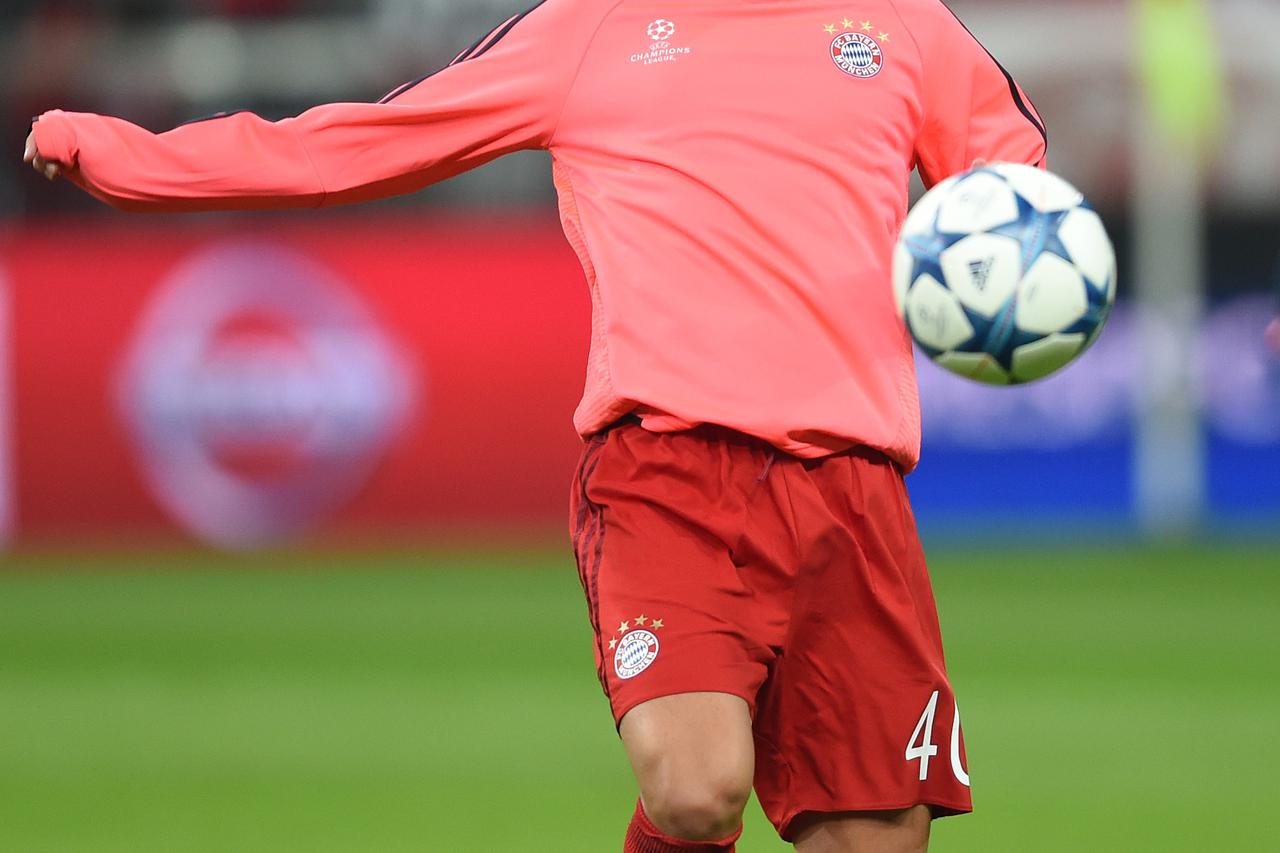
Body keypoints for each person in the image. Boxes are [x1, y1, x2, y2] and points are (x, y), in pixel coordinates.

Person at [23, 1, 1046, 849]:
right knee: (694, 787)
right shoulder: (589, 29)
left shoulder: (903, 26)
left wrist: (1011, 264)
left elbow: (1009, 186)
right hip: (668, 476)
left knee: (875, 838)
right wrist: (133, 160)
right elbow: (359, 142)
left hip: (852, 492)